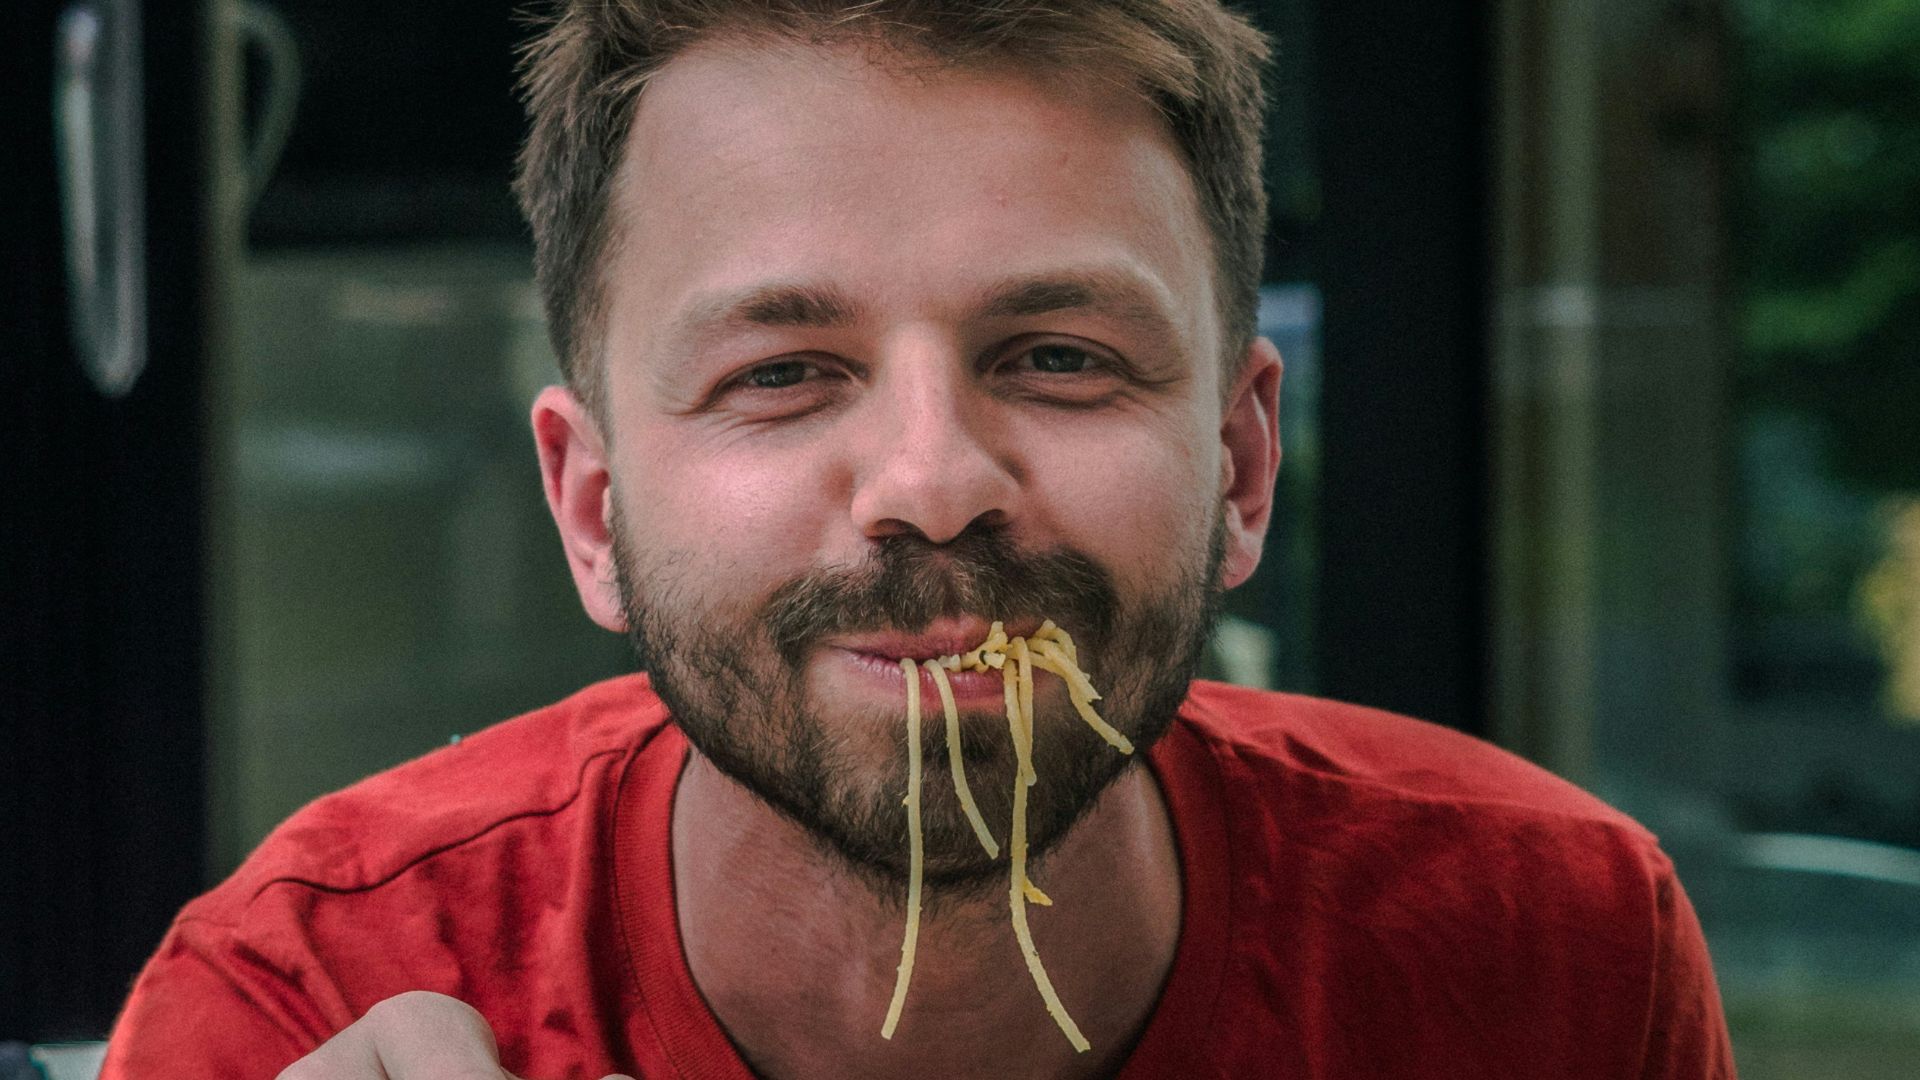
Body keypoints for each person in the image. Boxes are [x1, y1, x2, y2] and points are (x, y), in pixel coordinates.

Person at [101, 2, 1737, 1077]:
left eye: (1060, 357)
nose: (933, 483)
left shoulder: (1549, 955)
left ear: (1242, 467)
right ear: (592, 511)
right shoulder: (300, 999)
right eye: (781, 374)